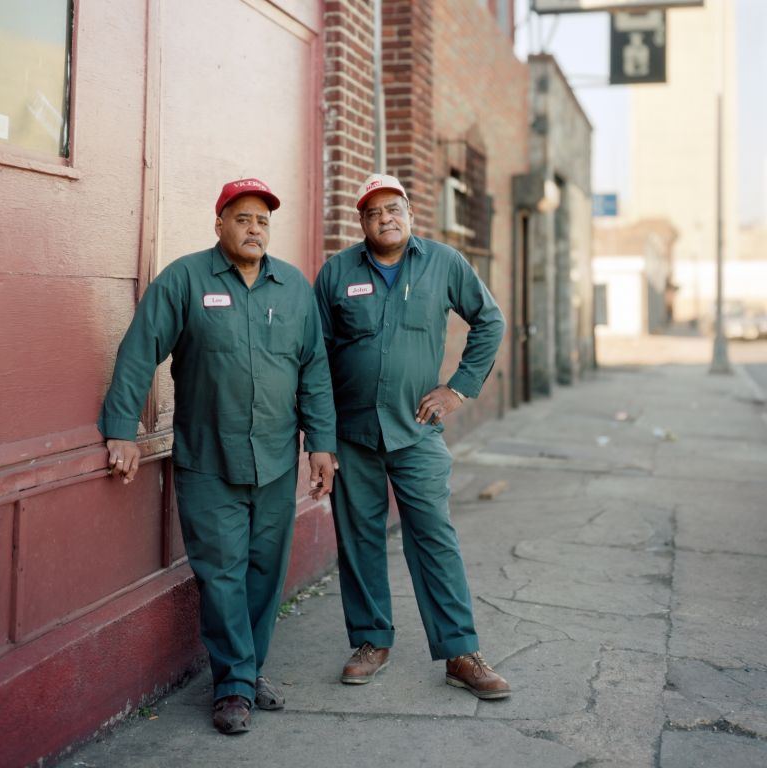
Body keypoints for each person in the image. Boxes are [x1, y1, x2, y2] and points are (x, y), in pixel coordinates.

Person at [99, 178, 338, 734]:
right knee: (222, 572)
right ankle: (232, 686)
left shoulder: (294, 289)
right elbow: (140, 350)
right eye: (243, 218)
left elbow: (315, 372)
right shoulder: (184, 280)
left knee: (263, 571)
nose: (254, 229)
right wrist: (121, 429)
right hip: (208, 459)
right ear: (220, 224)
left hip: (277, 459)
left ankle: (246, 672)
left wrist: (321, 444)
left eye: (263, 221)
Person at [313, 173, 510, 700]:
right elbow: (314, 358)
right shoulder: (336, 273)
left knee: (434, 538)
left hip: (417, 430)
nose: (385, 218)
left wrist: (458, 389)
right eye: (374, 211)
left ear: (410, 212)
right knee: (359, 540)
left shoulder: (444, 263)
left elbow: (489, 321)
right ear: (362, 221)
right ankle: (372, 640)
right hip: (352, 433)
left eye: (393, 207)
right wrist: (321, 438)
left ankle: (460, 651)